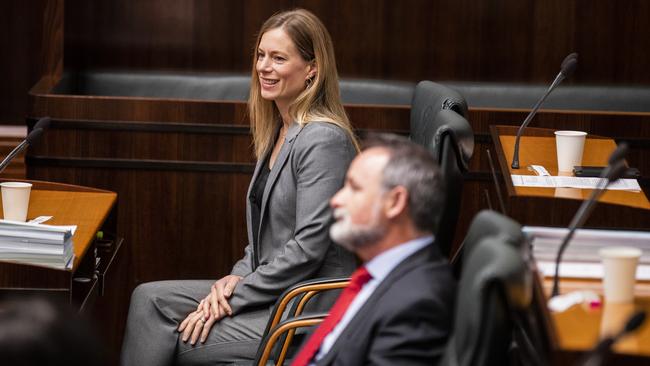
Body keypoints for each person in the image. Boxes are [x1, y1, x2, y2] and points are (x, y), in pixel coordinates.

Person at [121, 9, 358, 366]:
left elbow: (308, 247)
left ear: (313, 68)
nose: (264, 67)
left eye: (279, 58)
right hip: (273, 292)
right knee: (148, 299)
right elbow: (265, 237)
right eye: (261, 55)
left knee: (177, 335)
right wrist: (235, 276)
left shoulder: (323, 139)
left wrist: (236, 295)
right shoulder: (281, 129)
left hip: (307, 310)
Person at [292, 134, 457, 366]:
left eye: (354, 188)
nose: (336, 200)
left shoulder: (417, 304)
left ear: (395, 202)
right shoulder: (378, 274)